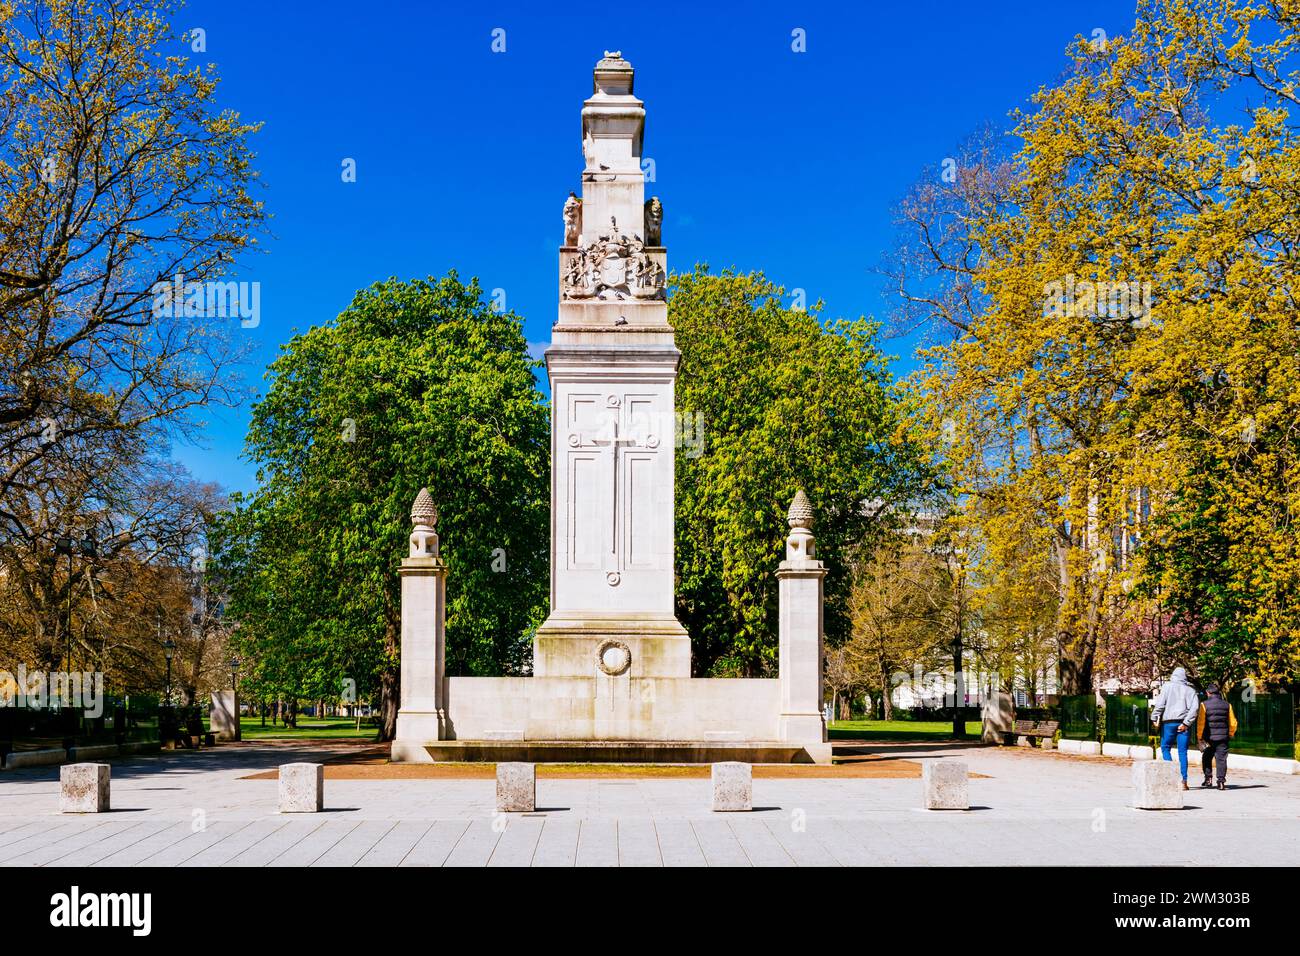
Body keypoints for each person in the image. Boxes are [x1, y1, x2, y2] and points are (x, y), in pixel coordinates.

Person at [1150, 667, 1200, 790]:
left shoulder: (1167, 687)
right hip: (1183, 724)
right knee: (1182, 752)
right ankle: (1183, 781)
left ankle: (1172, 777)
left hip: (1169, 723)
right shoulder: (1190, 691)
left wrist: (1154, 716)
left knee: (1165, 747)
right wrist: (1186, 723)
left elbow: (1160, 704)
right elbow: (1195, 709)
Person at [1196, 684, 1237, 790]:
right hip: (1223, 737)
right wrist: (1231, 733)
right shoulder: (1227, 705)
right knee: (1221, 759)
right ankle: (1221, 782)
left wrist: (1199, 736)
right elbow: (1233, 722)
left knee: (1206, 757)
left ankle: (1208, 779)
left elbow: (1201, 722)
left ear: (1208, 693)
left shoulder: (1204, 705)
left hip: (1209, 738)